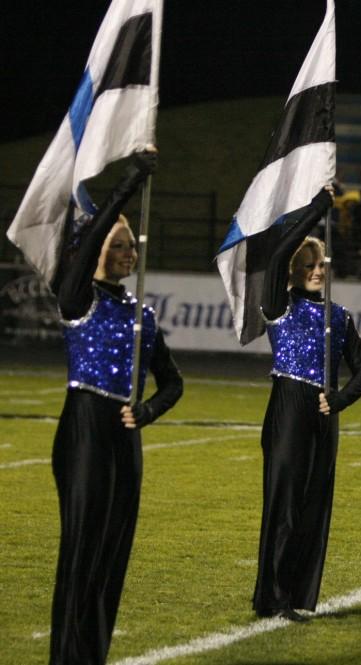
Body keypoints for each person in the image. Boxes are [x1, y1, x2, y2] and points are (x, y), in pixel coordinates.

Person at [51, 149, 183, 665]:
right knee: (82, 550)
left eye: (132, 246)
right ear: (98, 248)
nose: (130, 254)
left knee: (112, 552)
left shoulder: (141, 314)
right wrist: (129, 181)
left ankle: (93, 655)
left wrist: (147, 413)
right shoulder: (77, 298)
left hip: (125, 436)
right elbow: (84, 254)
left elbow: (173, 383)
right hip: (83, 428)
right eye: (121, 245)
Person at [253, 186, 361, 622]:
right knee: (283, 504)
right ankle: (272, 596)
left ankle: (300, 596)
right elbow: (279, 251)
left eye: (320, 263)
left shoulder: (337, 316)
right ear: (293, 271)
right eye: (308, 265)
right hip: (288, 404)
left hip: (324, 412)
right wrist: (316, 211)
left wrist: (338, 400)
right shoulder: (279, 304)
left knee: (313, 505)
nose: (317, 270)